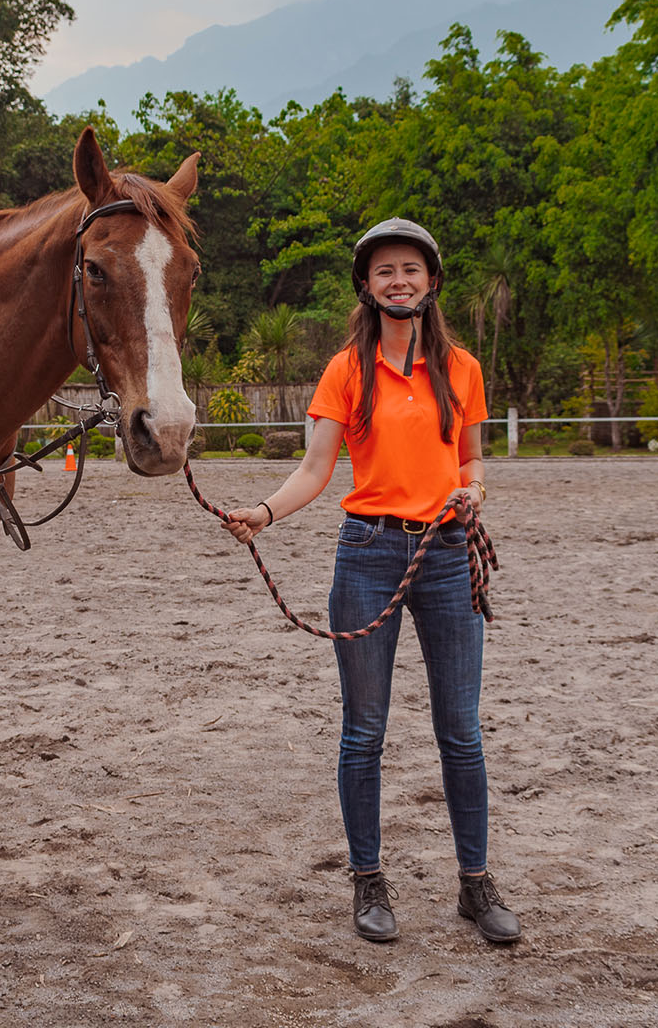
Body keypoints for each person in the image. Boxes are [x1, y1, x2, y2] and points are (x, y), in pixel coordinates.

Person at [221, 218, 520, 946]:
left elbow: (472, 459)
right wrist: (265, 512)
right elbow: (317, 471)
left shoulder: (464, 370)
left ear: (432, 281)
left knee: (461, 731)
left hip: (447, 556)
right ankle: (368, 880)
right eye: (385, 270)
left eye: (411, 269)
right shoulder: (345, 370)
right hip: (367, 552)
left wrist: (473, 491)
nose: (399, 281)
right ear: (366, 284)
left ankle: (476, 884)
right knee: (365, 730)